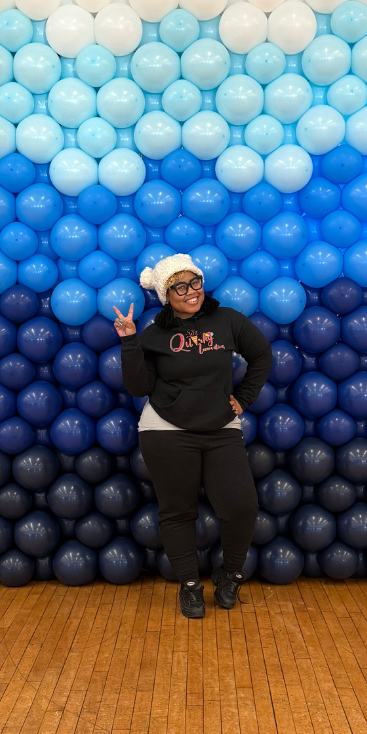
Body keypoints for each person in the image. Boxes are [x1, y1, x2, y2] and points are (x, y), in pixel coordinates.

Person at [114, 253, 272, 618]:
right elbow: (138, 387)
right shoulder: (154, 333)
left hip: (220, 428)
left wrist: (244, 398)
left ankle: (230, 576)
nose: (190, 292)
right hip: (166, 430)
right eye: (179, 287)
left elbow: (262, 355)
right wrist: (129, 341)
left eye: (194, 282)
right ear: (166, 296)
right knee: (178, 512)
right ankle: (189, 586)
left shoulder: (227, 320)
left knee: (241, 506)